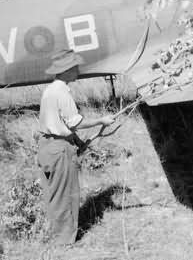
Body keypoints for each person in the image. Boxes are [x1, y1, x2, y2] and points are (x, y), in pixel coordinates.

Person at [37, 49, 115, 245]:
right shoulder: (61, 92)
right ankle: (64, 242)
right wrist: (101, 121)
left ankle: (56, 235)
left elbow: (57, 123)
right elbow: (74, 123)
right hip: (60, 150)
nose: (78, 70)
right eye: (75, 67)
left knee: (54, 194)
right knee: (66, 194)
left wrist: (78, 142)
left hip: (47, 146)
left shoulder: (50, 90)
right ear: (66, 70)